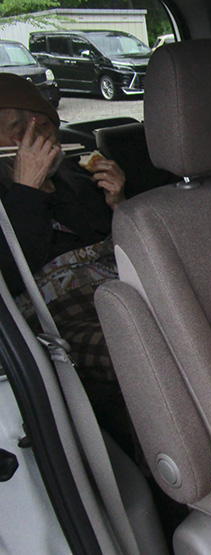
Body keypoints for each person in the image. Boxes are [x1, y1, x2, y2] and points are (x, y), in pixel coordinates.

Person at [0, 73, 130, 448]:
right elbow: (8, 277)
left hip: (117, 289)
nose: (36, 136)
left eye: (42, 124)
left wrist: (120, 203)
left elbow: (122, 248)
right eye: (17, 129)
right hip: (55, 315)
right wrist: (26, 191)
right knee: (133, 347)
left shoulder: (78, 176)